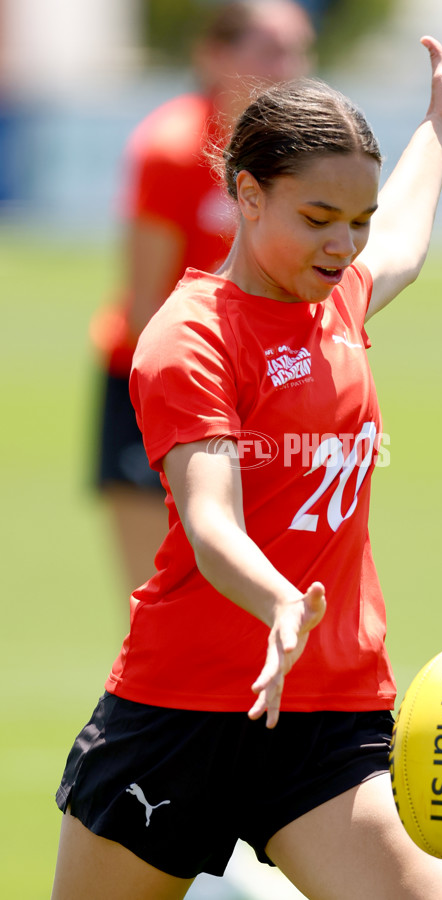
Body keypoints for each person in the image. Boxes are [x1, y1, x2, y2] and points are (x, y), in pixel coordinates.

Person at [53, 27, 442, 900]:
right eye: (318, 219)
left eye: (357, 221)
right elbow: (209, 519)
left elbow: (406, 241)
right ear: (248, 194)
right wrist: (278, 603)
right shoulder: (190, 337)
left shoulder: (340, 299)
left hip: (330, 718)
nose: (344, 246)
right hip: (178, 715)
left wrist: (438, 129)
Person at [92, 0, 316, 593]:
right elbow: (145, 309)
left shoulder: (299, 157)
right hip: (158, 387)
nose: (289, 66)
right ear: (215, 55)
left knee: (254, 606)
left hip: (260, 394)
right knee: (155, 601)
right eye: (271, 49)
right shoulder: (171, 148)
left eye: (299, 50)